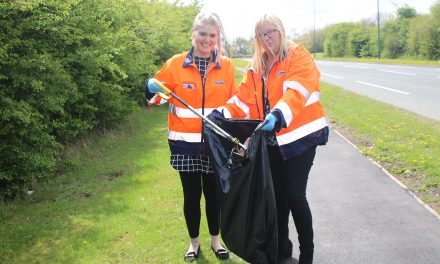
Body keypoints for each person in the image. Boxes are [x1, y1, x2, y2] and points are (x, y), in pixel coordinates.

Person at [214, 15, 329, 264]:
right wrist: (220, 114)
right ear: (257, 39)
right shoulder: (257, 66)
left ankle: (307, 256)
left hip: (301, 138)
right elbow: (242, 100)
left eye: (271, 32)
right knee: (276, 199)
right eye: (262, 35)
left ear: (281, 31)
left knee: (295, 195)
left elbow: (296, 91)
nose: (268, 38)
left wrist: (278, 114)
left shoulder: (298, 55)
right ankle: (282, 252)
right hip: (272, 142)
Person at [146, 12, 236, 262]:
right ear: (193, 33)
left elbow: (234, 104)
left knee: (214, 196)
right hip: (184, 145)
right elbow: (155, 98)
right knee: (191, 196)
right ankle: (194, 242)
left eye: (212, 35)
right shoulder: (175, 64)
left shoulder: (226, 66)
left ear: (217, 38)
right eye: (203, 33)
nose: (207, 40)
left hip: (215, 145)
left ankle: (216, 241)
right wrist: (149, 88)